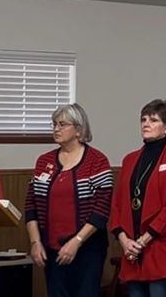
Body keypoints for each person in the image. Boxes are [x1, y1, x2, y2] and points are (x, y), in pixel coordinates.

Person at [24, 103, 113, 297]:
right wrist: (35, 242)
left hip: (88, 250)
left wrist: (77, 241)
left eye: (62, 124)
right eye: (54, 124)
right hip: (52, 249)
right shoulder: (43, 161)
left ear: (79, 129)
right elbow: (31, 205)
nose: (56, 129)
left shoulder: (97, 161)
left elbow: (101, 210)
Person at [110, 99, 166, 297]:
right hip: (131, 249)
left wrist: (143, 241)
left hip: (159, 247)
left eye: (153, 120)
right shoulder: (129, 159)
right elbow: (118, 203)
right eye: (143, 119)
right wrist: (124, 240)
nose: (146, 124)